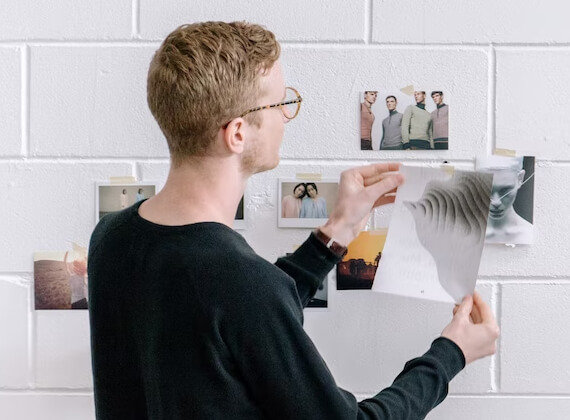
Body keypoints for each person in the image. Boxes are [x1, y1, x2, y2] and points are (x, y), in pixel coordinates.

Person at [88, 21, 499, 420]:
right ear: (237, 134)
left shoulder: (111, 238)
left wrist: (335, 232)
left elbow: (241, 317)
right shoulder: (239, 281)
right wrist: (451, 354)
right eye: (280, 104)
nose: (286, 116)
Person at [476, 155, 533, 244]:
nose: (496, 202)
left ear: (520, 179)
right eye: (487, 189)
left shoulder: (530, 234)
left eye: (505, 190)